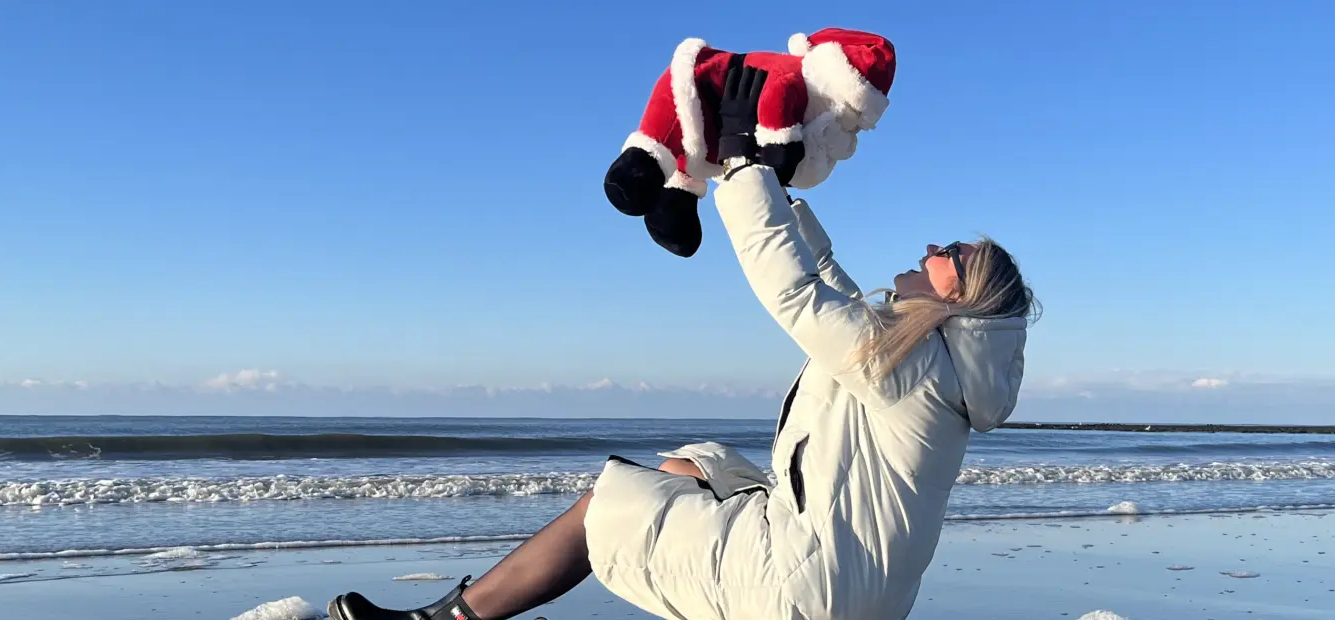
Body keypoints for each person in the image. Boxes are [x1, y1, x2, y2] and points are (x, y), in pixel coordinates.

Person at [327, 60, 1037, 620]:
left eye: (946, 248)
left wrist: (741, 165)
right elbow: (826, 281)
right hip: (854, 590)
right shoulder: (930, 368)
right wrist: (780, 189)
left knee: (603, 509)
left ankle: (452, 618)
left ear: (958, 293)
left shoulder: (908, 364)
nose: (927, 246)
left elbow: (792, 292)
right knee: (692, 467)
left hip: (806, 593)